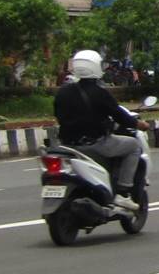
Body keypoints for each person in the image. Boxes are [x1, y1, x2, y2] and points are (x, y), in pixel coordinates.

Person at [53, 49, 151, 209]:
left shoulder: (63, 92)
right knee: (134, 146)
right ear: (95, 67)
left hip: (68, 145)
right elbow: (120, 116)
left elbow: (58, 115)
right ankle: (123, 192)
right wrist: (140, 125)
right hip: (96, 144)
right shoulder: (100, 93)